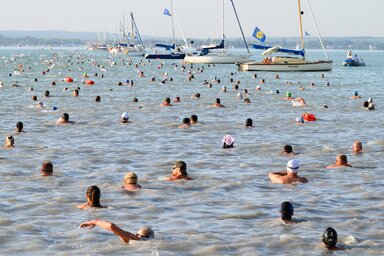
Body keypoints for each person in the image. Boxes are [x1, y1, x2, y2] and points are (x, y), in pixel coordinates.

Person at [79, 220, 154, 243]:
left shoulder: (135, 239)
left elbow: (111, 227)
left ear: (136, 235)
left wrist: (95, 222)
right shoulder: (147, 241)